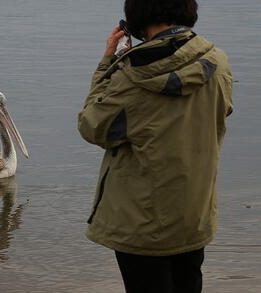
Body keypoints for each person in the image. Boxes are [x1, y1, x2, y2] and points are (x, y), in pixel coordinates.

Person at [77, 0, 233, 292]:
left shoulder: (131, 75)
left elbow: (93, 127)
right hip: (194, 212)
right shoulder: (218, 63)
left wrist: (107, 63)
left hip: (142, 222)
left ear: (135, 19)